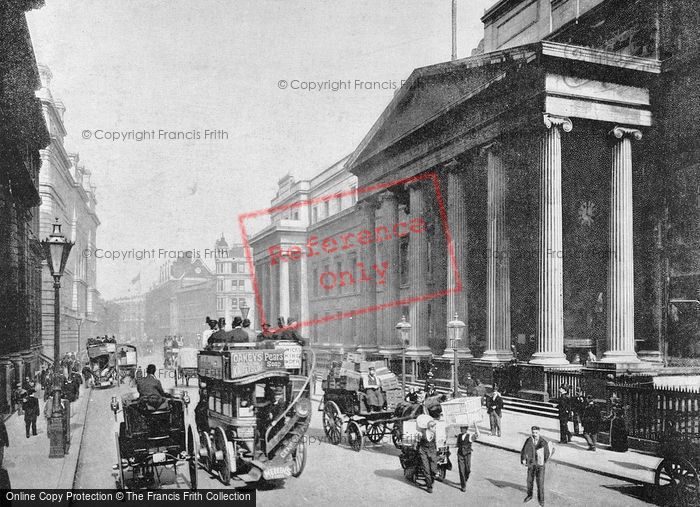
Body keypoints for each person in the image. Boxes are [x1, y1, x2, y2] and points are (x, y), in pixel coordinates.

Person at [521, 425, 554, 506]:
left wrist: (542, 461)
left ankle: (541, 500)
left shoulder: (543, 442)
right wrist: (523, 459)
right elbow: (524, 450)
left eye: (536, 433)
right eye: (533, 432)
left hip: (540, 466)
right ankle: (529, 495)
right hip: (531, 464)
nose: (534, 434)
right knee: (529, 481)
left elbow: (547, 454)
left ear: (539, 432)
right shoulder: (529, 440)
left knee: (540, 483)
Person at [416, 419, 439, 493]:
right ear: (430, 427)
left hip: (432, 452)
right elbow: (418, 443)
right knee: (426, 469)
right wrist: (420, 451)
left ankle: (431, 481)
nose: (435, 429)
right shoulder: (422, 433)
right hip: (424, 452)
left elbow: (435, 443)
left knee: (433, 470)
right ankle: (429, 487)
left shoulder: (434, 434)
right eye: (434, 428)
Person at [455, 423, 480, 492]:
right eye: (461, 428)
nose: (461, 430)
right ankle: (463, 486)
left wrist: (475, 425)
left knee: (467, 469)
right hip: (460, 454)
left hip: (467, 454)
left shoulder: (469, 436)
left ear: (466, 429)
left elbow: (478, 435)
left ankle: (466, 478)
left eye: (463, 429)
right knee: (461, 470)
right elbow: (456, 444)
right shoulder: (459, 436)